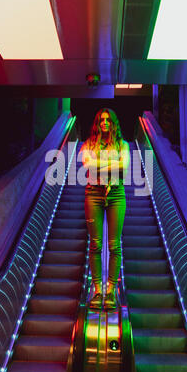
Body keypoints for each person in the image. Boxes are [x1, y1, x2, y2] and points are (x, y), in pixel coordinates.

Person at [79, 108, 130, 310]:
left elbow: (124, 168)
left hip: (116, 194)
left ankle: (110, 292)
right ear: (97, 122)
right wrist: (112, 162)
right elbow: (87, 166)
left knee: (114, 245)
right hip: (93, 194)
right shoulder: (88, 144)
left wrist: (97, 164)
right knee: (95, 245)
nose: (105, 122)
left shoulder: (123, 145)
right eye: (101, 119)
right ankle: (97, 290)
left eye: (109, 120)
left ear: (114, 123)